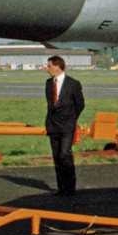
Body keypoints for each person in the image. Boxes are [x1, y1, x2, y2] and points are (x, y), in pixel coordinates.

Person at [45, 55, 85, 195]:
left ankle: (70, 188)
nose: (47, 69)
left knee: (64, 154)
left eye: (49, 66)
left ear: (57, 66)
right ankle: (62, 188)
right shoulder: (48, 84)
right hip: (53, 126)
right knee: (56, 157)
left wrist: (71, 120)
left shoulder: (73, 84)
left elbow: (80, 105)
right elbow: (50, 105)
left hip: (67, 126)